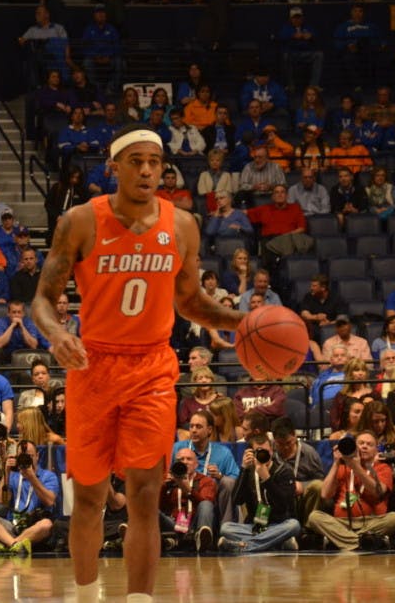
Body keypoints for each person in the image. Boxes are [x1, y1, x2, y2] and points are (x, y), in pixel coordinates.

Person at [32, 124, 243, 602]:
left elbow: (190, 302)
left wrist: (241, 321)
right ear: (114, 168)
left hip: (152, 367)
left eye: (155, 161)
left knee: (146, 494)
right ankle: (86, 596)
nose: (148, 170)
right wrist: (57, 333)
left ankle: (139, 600)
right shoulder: (81, 221)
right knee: (88, 497)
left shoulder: (183, 224)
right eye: (136, 161)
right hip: (93, 364)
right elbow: (42, 300)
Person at [306, 430, 395, 551]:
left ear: (376, 450)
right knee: (314, 517)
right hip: (341, 523)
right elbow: (325, 494)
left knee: (394, 518)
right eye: (361, 443)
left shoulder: (382, 467)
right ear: (354, 446)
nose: (364, 446)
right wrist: (336, 463)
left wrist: (356, 467)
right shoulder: (342, 467)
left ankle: (344, 541)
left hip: (371, 522)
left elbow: (378, 492)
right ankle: (363, 542)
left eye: (369, 444)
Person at [218, 433, 300, 553]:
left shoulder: (284, 471)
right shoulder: (249, 472)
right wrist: (243, 469)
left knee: (294, 525)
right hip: (255, 527)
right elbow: (237, 500)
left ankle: (245, 546)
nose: (263, 455)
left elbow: (284, 505)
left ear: (272, 451)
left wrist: (267, 479)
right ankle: (277, 543)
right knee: (225, 528)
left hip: (278, 525)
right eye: (258, 451)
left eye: (266, 451)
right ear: (251, 453)